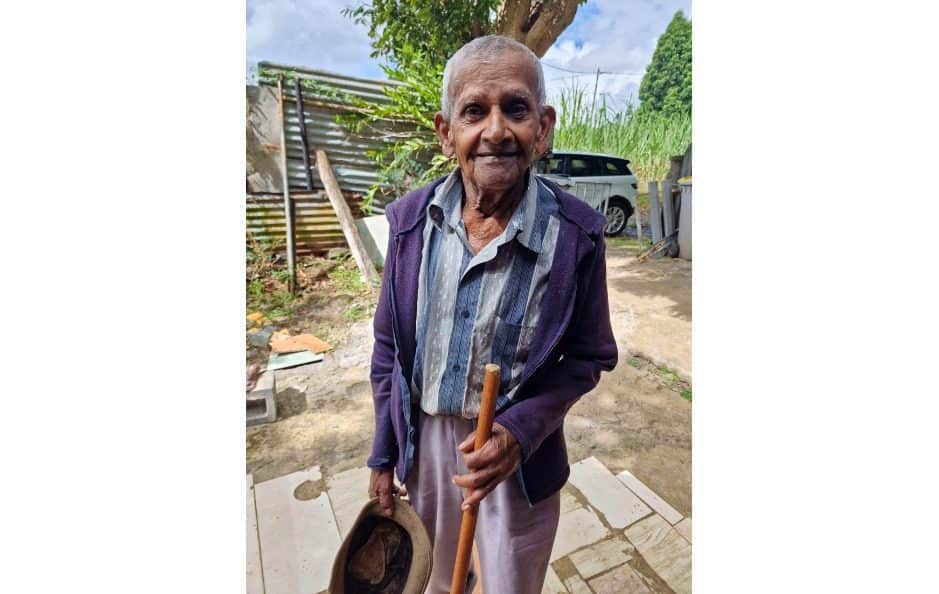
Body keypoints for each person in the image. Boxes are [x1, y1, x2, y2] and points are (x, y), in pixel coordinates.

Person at [366, 35, 617, 594]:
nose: (497, 130)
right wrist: (384, 452)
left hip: (518, 458)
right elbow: (388, 347)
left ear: (544, 127)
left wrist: (520, 432)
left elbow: (589, 356)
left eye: (517, 108)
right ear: (445, 131)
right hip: (427, 445)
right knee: (430, 578)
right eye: (474, 111)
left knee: (510, 582)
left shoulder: (577, 235)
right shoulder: (411, 223)